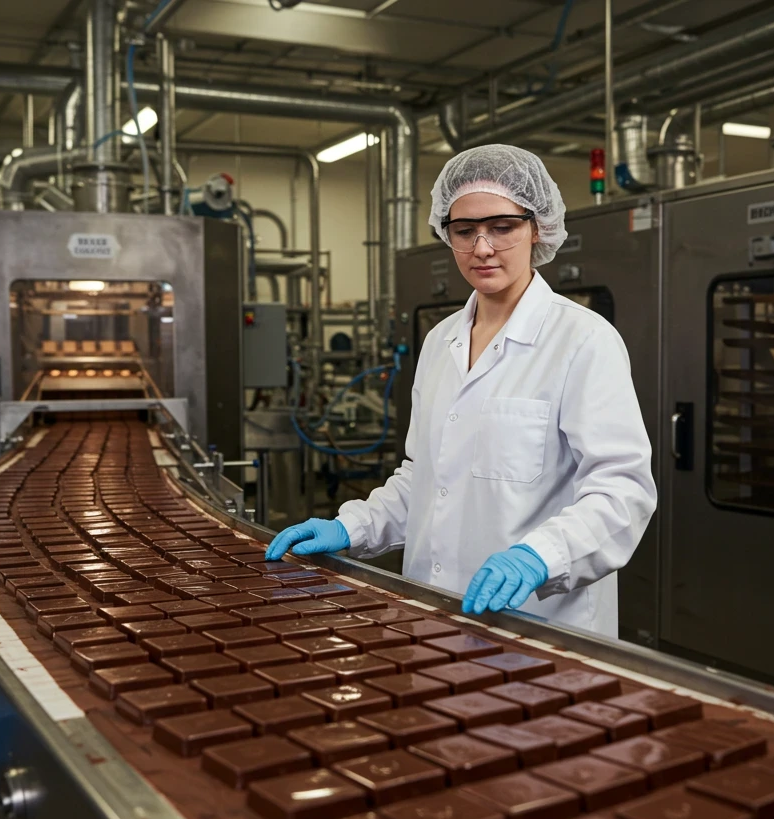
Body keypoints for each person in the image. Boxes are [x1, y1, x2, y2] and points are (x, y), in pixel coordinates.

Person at [265, 145, 655, 638]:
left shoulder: (582, 340)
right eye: (465, 231)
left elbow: (623, 490)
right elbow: (424, 478)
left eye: (502, 227)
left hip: (538, 627)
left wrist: (541, 556)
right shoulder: (440, 341)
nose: (482, 248)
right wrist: (353, 528)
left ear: (536, 228)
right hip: (431, 615)